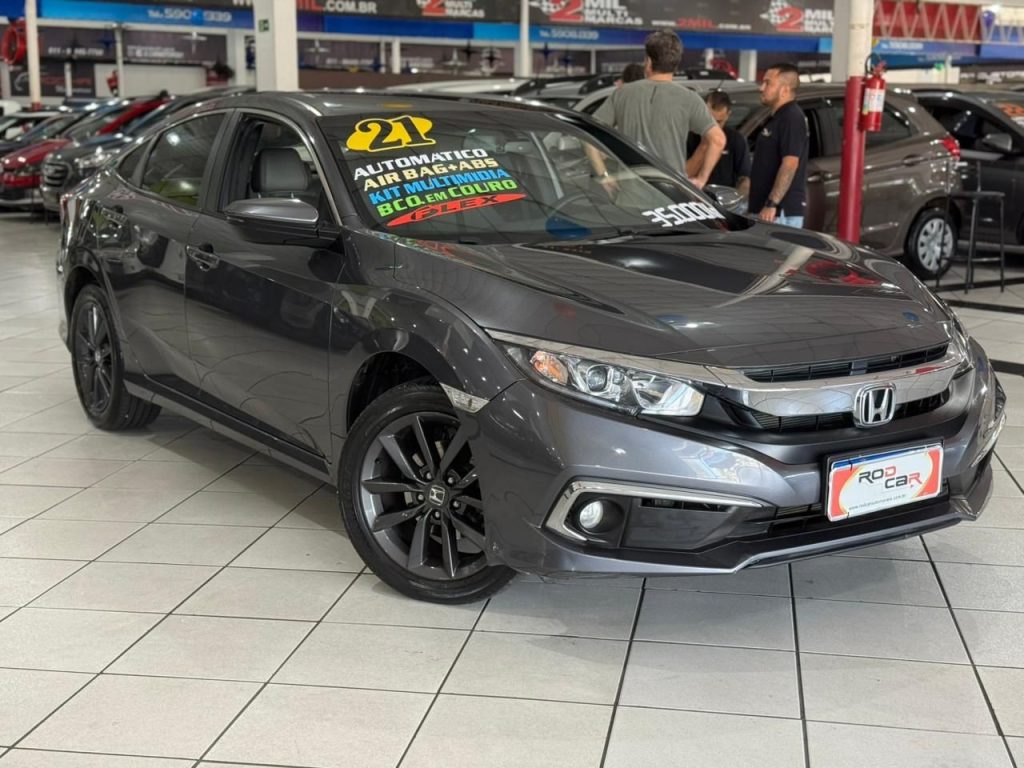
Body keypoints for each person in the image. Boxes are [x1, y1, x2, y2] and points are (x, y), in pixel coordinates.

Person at [589, 30, 725, 190]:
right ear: (676, 64)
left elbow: (589, 135)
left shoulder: (622, 94)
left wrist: (604, 176)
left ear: (648, 61)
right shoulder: (690, 99)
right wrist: (701, 179)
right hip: (671, 196)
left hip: (630, 196)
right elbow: (718, 140)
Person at [748, 62, 809, 228]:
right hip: (765, 211)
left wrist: (772, 203)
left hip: (779, 214)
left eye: (768, 83)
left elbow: (790, 164)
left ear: (784, 90)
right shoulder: (776, 118)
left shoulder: (792, 118)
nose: (761, 88)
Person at [686, 90, 751, 199]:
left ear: (728, 115)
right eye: (710, 121)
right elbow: (684, 175)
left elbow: (745, 177)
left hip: (724, 199)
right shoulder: (689, 137)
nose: (715, 127)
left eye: (719, 122)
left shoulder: (736, 139)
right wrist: (703, 146)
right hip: (693, 198)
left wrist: (737, 199)